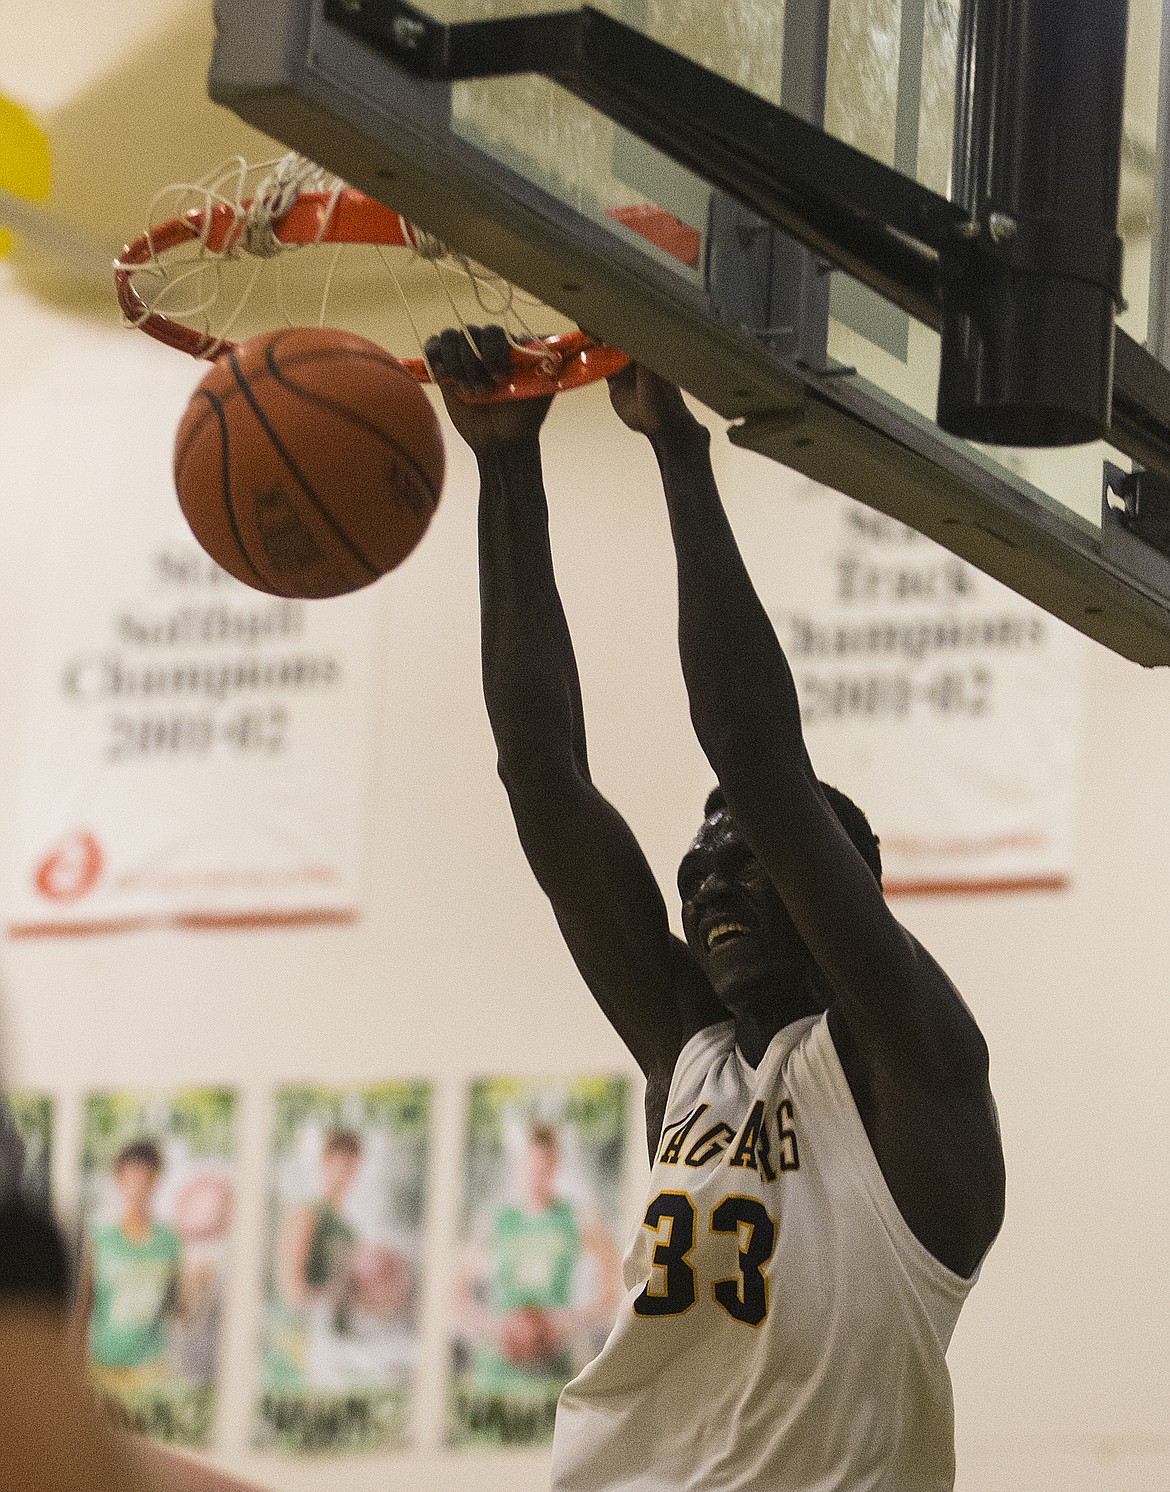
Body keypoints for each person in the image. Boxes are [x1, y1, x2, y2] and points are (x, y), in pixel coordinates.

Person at [427, 326, 1006, 1491]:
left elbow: (757, 758)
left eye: (752, 861)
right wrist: (505, 469)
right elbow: (541, 769)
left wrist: (680, 455)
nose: (709, 880)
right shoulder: (689, 1063)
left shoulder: (913, 1069)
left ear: (846, 885)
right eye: (696, 871)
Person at [455, 1122, 621, 1425]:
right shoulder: (494, 1220)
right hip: (496, 1368)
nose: (534, 1176)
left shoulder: (578, 1218)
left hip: (552, 1364)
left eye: (542, 1166)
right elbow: (457, 1295)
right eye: (528, 1165)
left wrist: (564, 1323)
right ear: (517, 1164)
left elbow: (613, 1291)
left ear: (555, 1163)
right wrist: (497, 1329)